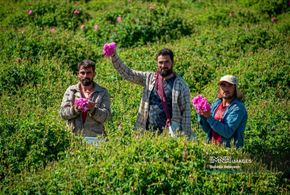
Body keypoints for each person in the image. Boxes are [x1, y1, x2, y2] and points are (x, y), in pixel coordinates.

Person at [110, 48, 193, 139]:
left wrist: (186, 138)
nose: (163, 65)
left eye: (166, 62)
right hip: (147, 131)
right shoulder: (149, 78)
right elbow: (129, 74)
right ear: (157, 63)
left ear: (172, 62)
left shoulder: (181, 85)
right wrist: (114, 56)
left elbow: (186, 114)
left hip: (170, 133)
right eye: (160, 62)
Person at [60, 59, 111, 144]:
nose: (85, 76)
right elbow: (63, 113)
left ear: (94, 74)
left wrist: (93, 109)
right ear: (78, 74)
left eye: (89, 73)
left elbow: (106, 117)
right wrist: (75, 109)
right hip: (74, 138)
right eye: (82, 73)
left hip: (95, 138)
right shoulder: (71, 91)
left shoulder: (102, 92)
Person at [197, 75, 248, 148]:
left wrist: (209, 117)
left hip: (229, 152)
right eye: (223, 85)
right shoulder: (217, 103)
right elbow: (208, 129)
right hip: (212, 147)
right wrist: (202, 115)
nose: (226, 89)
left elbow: (227, 132)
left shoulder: (238, 108)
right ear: (220, 88)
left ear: (235, 88)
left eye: (230, 85)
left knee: (220, 160)